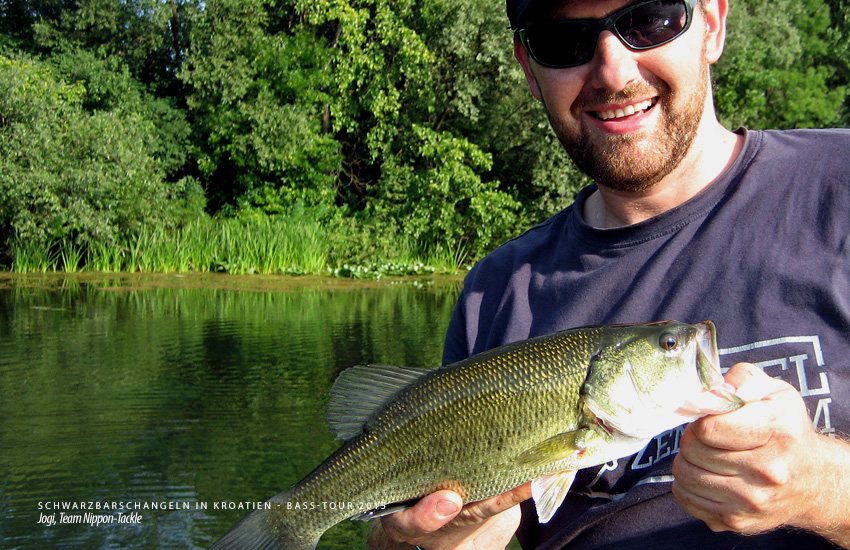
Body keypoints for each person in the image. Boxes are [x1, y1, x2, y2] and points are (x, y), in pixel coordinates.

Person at [368, 0, 850, 548]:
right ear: (530, 70)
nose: (613, 71)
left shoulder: (841, 188)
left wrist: (822, 487)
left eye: (648, 20)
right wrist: (416, 537)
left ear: (712, 23)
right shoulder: (497, 290)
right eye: (564, 42)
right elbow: (478, 530)